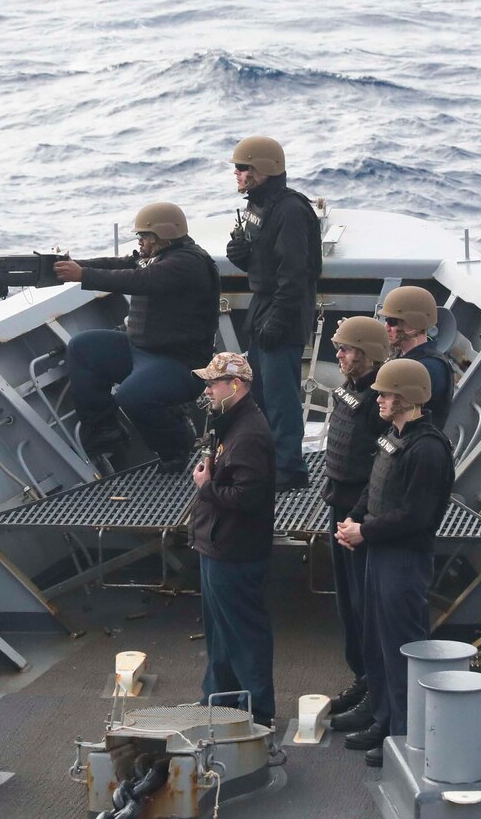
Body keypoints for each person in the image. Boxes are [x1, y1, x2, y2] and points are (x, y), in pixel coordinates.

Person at [335, 358, 456, 767]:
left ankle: (405, 738)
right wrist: (354, 517)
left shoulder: (428, 449)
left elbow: (416, 516)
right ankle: (385, 719)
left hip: (403, 559)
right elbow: (376, 485)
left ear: (406, 398)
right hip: (381, 553)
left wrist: (364, 532)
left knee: (402, 649)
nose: (379, 399)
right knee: (377, 642)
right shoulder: (394, 435)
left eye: (385, 394)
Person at [54, 202, 219, 470]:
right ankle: (105, 430)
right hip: (141, 349)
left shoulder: (187, 263)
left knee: (132, 395)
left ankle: (176, 446)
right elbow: (120, 264)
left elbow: (137, 280)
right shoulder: (158, 256)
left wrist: (83, 275)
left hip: (181, 364)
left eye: (144, 236)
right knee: (83, 348)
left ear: (163, 235)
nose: (140, 242)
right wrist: (73, 266)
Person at [224, 136, 323, 490]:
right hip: (265, 304)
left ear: (264, 170)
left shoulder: (290, 210)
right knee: (262, 393)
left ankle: (290, 470)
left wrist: (278, 320)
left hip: (284, 308)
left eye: (244, 168)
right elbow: (267, 259)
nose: (237, 174)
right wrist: (243, 255)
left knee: (281, 397)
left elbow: (296, 274)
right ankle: (267, 460)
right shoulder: (260, 206)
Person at [188, 352, 278, 734]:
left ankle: (258, 712)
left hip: (235, 549)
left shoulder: (249, 435)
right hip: (218, 544)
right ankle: (219, 697)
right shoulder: (231, 424)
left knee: (243, 632)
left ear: (235, 386)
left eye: (213, 383)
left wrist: (207, 487)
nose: (207, 389)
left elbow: (247, 499)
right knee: (220, 630)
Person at [322, 316, 390, 735]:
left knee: (367, 609)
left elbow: (381, 466)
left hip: (361, 516)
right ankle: (363, 678)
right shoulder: (350, 391)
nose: (339, 355)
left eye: (346, 349)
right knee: (348, 604)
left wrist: (362, 518)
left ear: (366, 352)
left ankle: (376, 694)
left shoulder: (380, 399)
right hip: (341, 505)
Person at [377, 286, 453, 429]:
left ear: (414, 323)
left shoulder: (430, 368)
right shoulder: (403, 357)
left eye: (393, 321)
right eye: (386, 320)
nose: (386, 327)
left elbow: (397, 412)